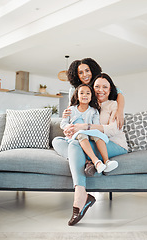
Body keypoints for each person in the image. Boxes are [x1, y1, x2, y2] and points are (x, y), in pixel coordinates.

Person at [52, 73, 128, 226]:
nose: (101, 90)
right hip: (89, 141)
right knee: (58, 140)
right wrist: (69, 128)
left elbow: (112, 130)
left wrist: (82, 127)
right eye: (97, 86)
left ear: (110, 89)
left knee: (75, 144)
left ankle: (80, 195)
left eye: (105, 87)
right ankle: (87, 160)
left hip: (113, 143)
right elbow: (71, 120)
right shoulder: (90, 106)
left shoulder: (113, 105)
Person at [61, 83, 118, 175]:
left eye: (88, 93)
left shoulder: (93, 111)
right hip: (76, 134)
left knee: (97, 134)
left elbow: (96, 125)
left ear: (91, 96)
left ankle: (107, 161)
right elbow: (63, 123)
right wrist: (68, 128)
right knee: (81, 134)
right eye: (82, 93)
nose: (85, 95)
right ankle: (97, 162)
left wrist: (90, 130)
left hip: (89, 132)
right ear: (77, 96)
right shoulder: (71, 110)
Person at [65, 58, 125, 129]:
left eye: (87, 70)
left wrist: (120, 112)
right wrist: (66, 115)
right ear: (76, 75)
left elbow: (119, 94)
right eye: (80, 72)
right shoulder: (73, 90)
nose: (85, 75)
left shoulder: (99, 83)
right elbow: (71, 106)